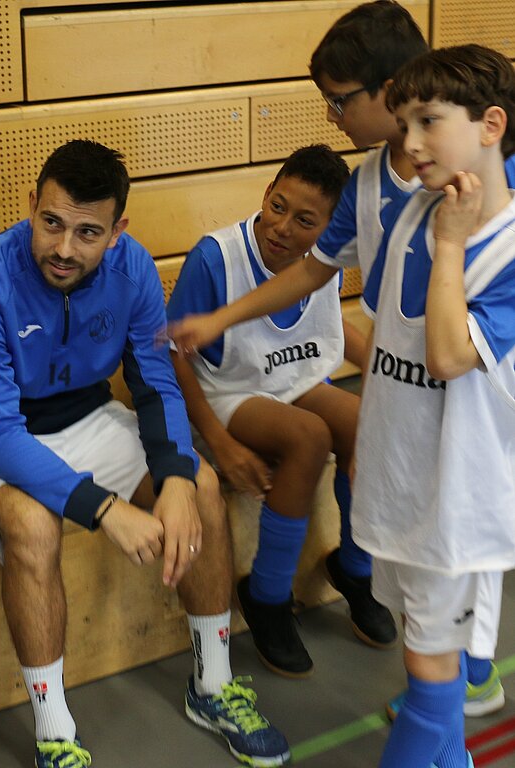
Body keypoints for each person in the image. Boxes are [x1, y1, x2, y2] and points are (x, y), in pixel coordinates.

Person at [169, 0, 513, 715]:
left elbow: (447, 349)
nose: (331, 113)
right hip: (407, 413)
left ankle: (451, 686)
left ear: (392, 90)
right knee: (428, 612)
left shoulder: (475, 203)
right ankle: (361, 616)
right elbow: (347, 293)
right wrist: (222, 320)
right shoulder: (384, 191)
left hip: (465, 428)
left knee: (443, 635)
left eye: (339, 99)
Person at [0, 139, 290, 768]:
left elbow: (155, 381)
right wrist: (103, 509)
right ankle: (55, 733)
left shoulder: (135, 270)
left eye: (87, 231)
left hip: (88, 416)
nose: (64, 248)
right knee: (31, 524)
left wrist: (176, 474)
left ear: (119, 230)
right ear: (31, 207)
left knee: (201, 486)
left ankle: (211, 686)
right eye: (51, 223)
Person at [166, 145, 396, 680]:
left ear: (331, 227)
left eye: (305, 221)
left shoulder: (328, 261)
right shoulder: (215, 257)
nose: (282, 227)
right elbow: (172, 357)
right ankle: (267, 593)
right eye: (278, 206)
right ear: (266, 193)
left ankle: (354, 568)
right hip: (223, 393)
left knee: (368, 421)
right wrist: (218, 444)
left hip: (288, 383)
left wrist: (391, 373)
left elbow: (334, 338)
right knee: (310, 437)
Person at [358, 44, 515, 768]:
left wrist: (451, 246)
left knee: (431, 678)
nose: (410, 142)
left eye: (428, 121)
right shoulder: (412, 213)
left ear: (490, 125)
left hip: (458, 501)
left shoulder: (505, 247)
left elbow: (449, 355)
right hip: (399, 480)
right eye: (403, 122)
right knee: (426, 669)